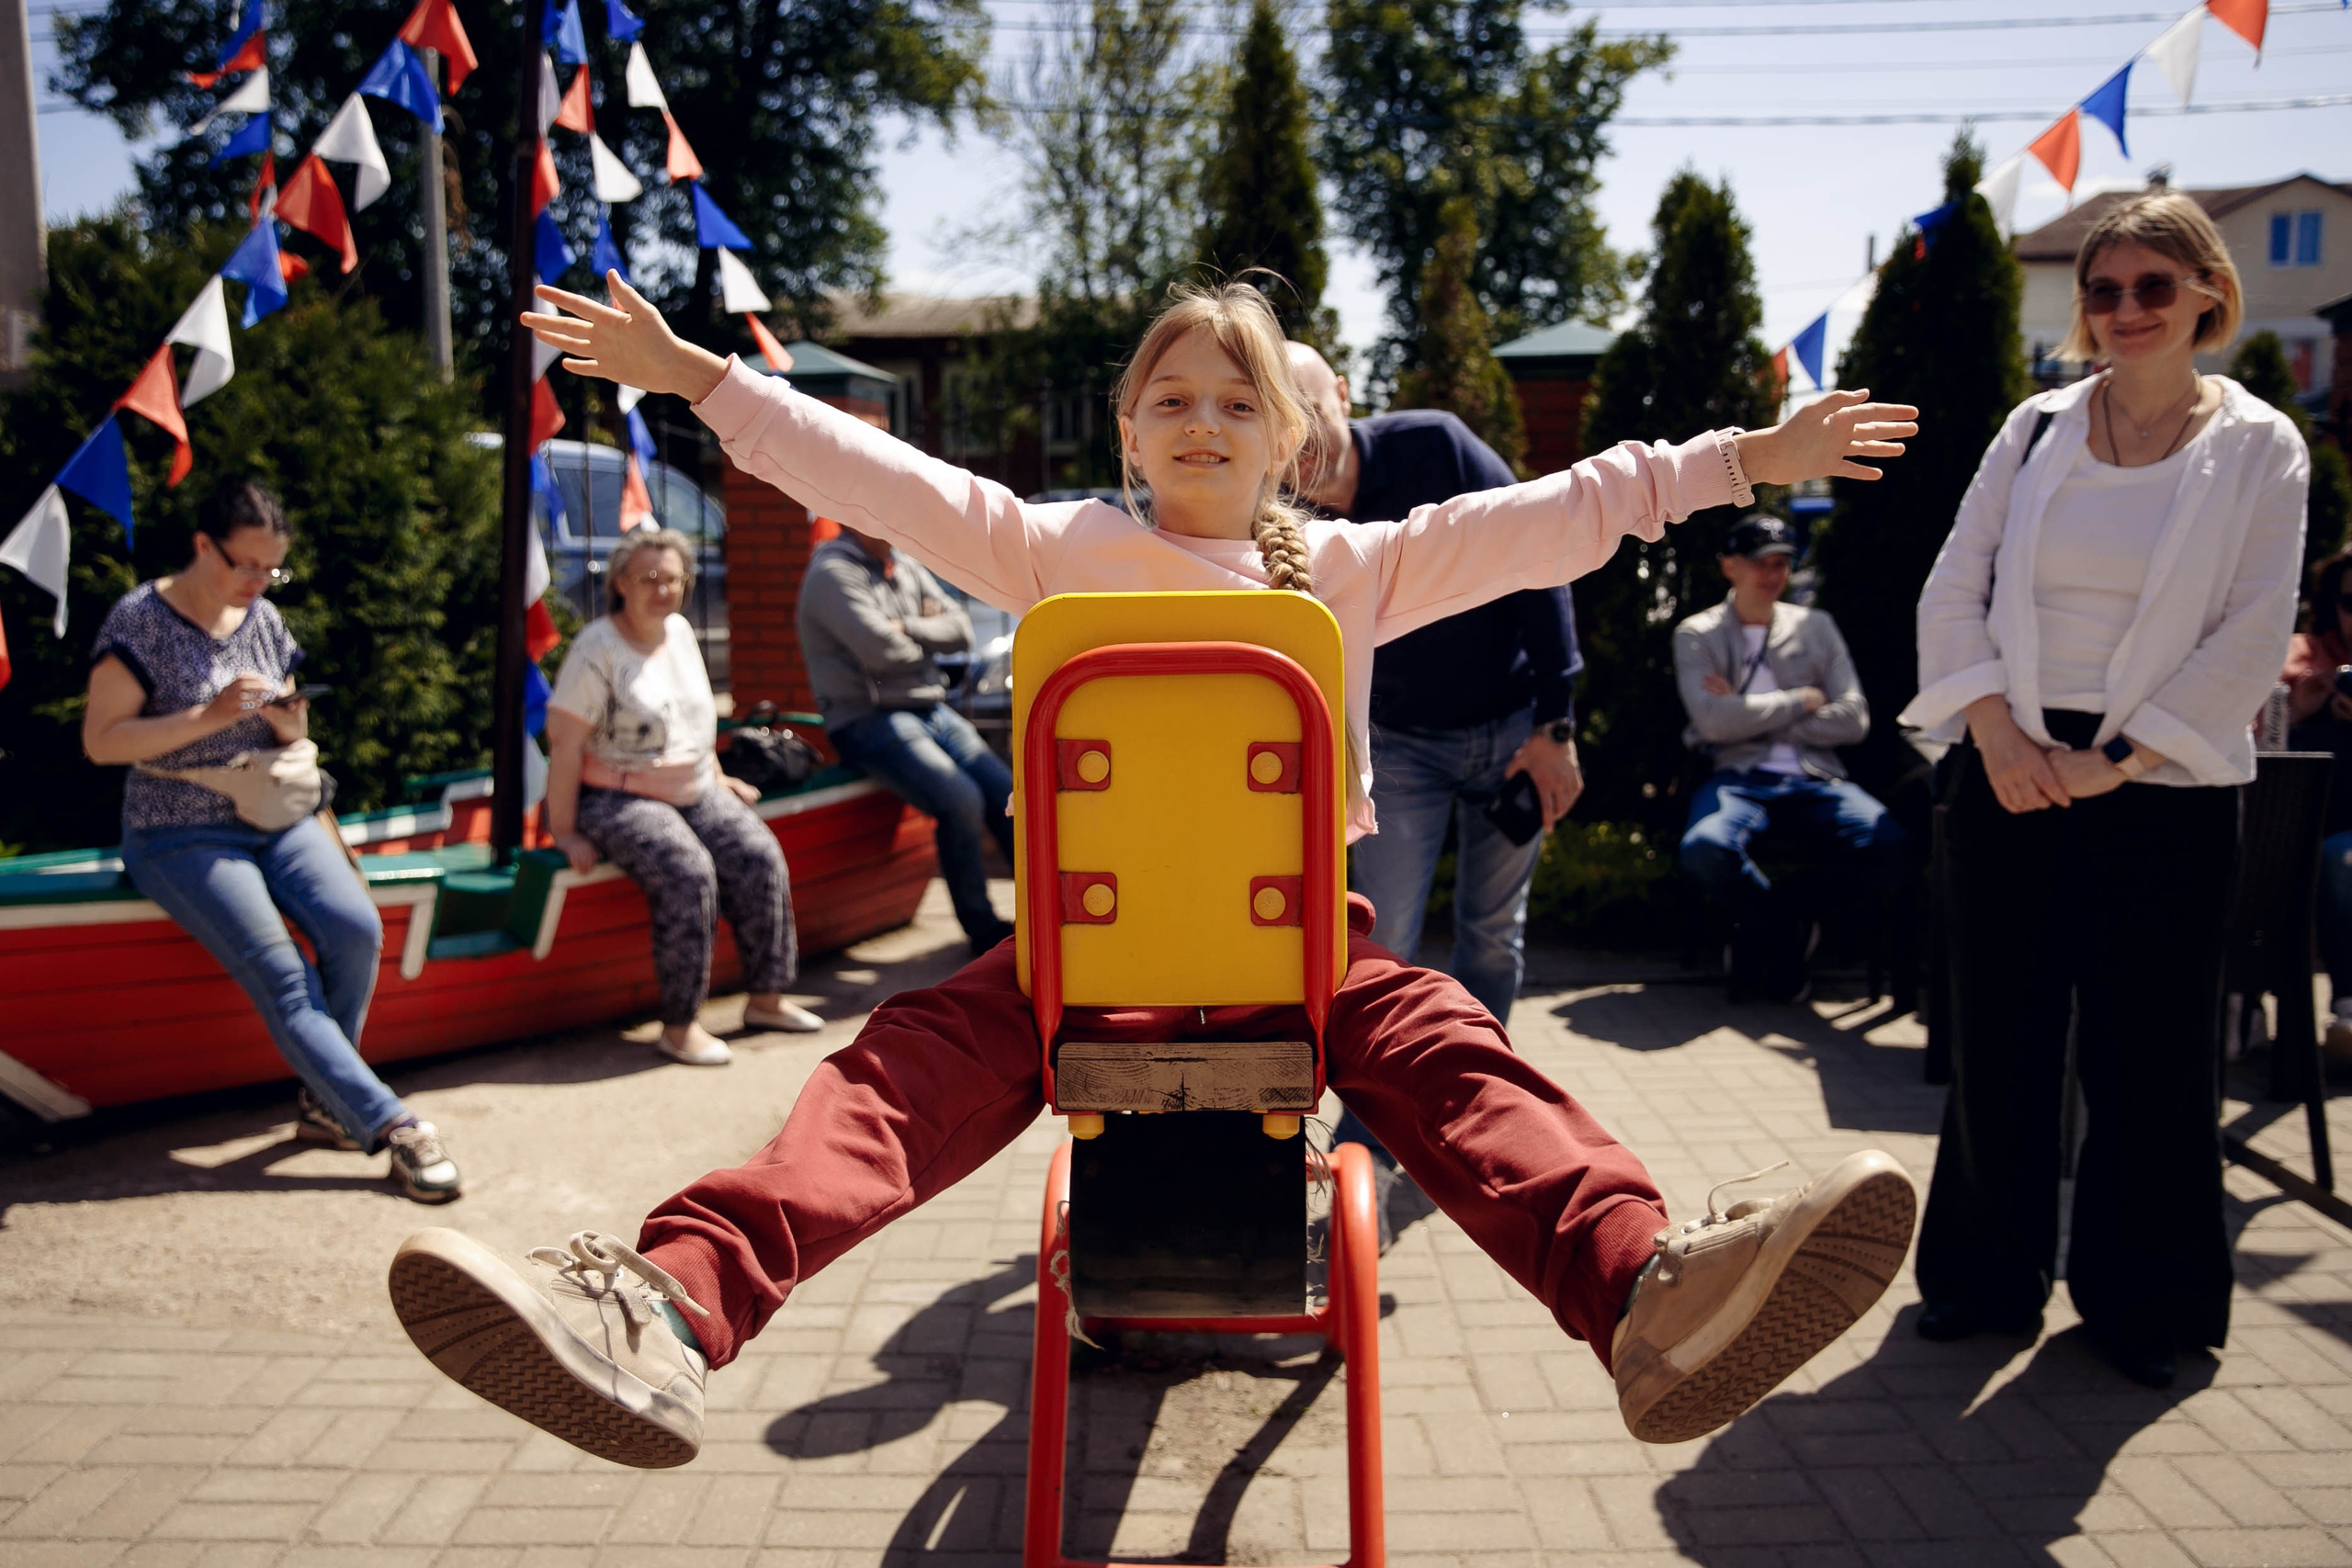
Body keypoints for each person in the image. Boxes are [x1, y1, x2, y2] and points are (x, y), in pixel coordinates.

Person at [389, 274, 1923, 1465]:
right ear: (1126, 429)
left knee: (1454, 1050)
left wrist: (1743, 459)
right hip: (1087, 961)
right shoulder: (1056, 547)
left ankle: (1649, 1289)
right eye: (1171, 396)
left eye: (1238, 399)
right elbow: (878, 469)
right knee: (890, 1077)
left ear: (1294, 437)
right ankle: (665, 1307)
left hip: (1296, 955)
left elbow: (1556, 517)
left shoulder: (1351, 567)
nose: (1203, 419)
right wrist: (702, 379)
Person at [1901, 192, 2309, 1389]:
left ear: (2207, 294)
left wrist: (2116, 762)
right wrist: (1994, 732)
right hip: (2009, 764)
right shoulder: (2033, 429)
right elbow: (1952, 588)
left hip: (2164, 782)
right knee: (1998, 1041)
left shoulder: (2262, 445)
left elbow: (2253, 631)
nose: (2126, 309)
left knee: (2153, 1058)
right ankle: (1983, 1279)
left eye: (2152, 286)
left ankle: (2145, 1303)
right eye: (2104, 289)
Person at [82, 481, 461, 1202]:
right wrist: (209, 714)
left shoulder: (262, 615)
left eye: (271, 569)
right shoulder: (139, 619)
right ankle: (393, 1125)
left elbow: (289, 720)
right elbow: (101, 741)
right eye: (246, 565)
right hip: (176, 829)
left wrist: (291, 725)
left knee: (355, 929)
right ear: (203, 546)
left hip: (274, 813)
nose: (258, 581)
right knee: (285, 974)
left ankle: (325, 1103)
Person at [1286, 342, 1584, 1242]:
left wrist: (1557, 725)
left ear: (1343, 393)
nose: (1302, 444)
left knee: (1492, 939)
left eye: (1309, 411)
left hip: (1510, 727)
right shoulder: (1273, 512)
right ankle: (1367, 1155)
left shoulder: (1436, 447)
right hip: (1396, 751)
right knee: (1385, 950)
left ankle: (1463, 1121)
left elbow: (1538, 551)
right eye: (1278, 424)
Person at [544, 525, 824, 1067]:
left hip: (694, 786)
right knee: (687, 871)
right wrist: (565, 830)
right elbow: (565, 744)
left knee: (758, 855)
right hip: (618, 795)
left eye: (673, 579)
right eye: (649, 578)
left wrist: (716, 774)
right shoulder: (597, 648)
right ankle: (680, 1027)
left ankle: (766, 999)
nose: (663, 589)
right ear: (621, 583)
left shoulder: (679, 632)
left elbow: (692, 724)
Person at [1673, 514, 1907, 1001]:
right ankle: (1784, 931)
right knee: (1704, 848)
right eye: (1761, 563)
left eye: (1781, 563)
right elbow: (1712, 724)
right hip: (1737, 775)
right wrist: (1802, 699)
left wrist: (1744, 710)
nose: (1773, 574)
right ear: (1730, 567)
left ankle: (1780, 916)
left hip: (1816, 776)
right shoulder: (1697, 633)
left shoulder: (1816, 627)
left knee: (1889, 844)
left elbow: (1854, 719)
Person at [797, 522, 1016, 957]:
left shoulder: (903, 562)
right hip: (868, 718)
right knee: (961, 799)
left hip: (930, 708)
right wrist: (925, 633)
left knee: (1007, 792)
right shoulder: (832, 572)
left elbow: (962, 629)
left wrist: (904, 627)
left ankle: (1041, 913)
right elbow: (883, 652)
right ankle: (984, 930)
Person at [2277, 549, 2352, 1060]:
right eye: (2351, 602)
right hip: (2300, 837)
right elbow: (2250, 743)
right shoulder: (2301, 660)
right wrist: (2297, 711)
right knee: (2336, 858)